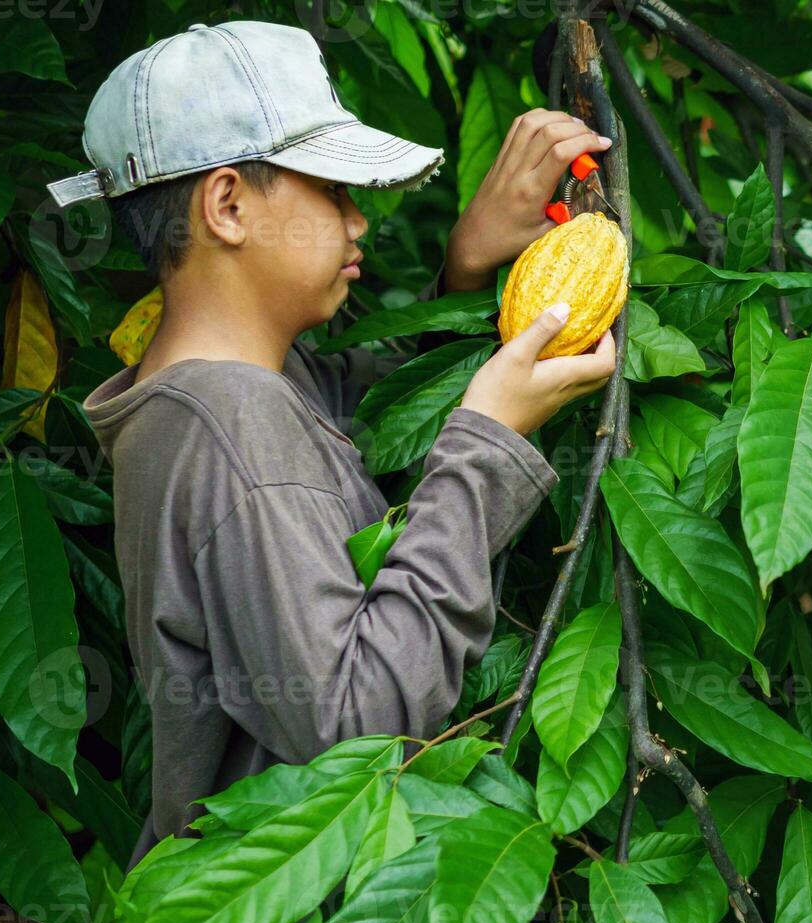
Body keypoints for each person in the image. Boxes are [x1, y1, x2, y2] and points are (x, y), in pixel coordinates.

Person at [46, 20, 617, 869]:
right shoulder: (236, 428)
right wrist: (486, 446)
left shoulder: (222, 395)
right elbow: (357, 727)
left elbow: (362, 441)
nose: (360, 220)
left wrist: (463, 273)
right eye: (332, 192)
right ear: (228, 206)